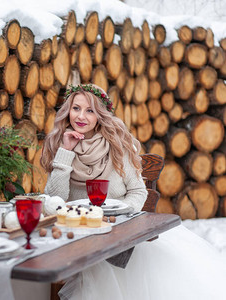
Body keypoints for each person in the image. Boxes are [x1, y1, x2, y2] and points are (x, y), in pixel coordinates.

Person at [41, 83, 226, 300]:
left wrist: (118, 218)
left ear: (101, 115)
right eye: (76, 108)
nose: (81, 116)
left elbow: (138, 191)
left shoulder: (118, 146)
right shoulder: (60, 144)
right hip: (78, 236)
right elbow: (56, 198)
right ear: (67, 111)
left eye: (90, 110)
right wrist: (65, 152)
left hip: (119, 233)